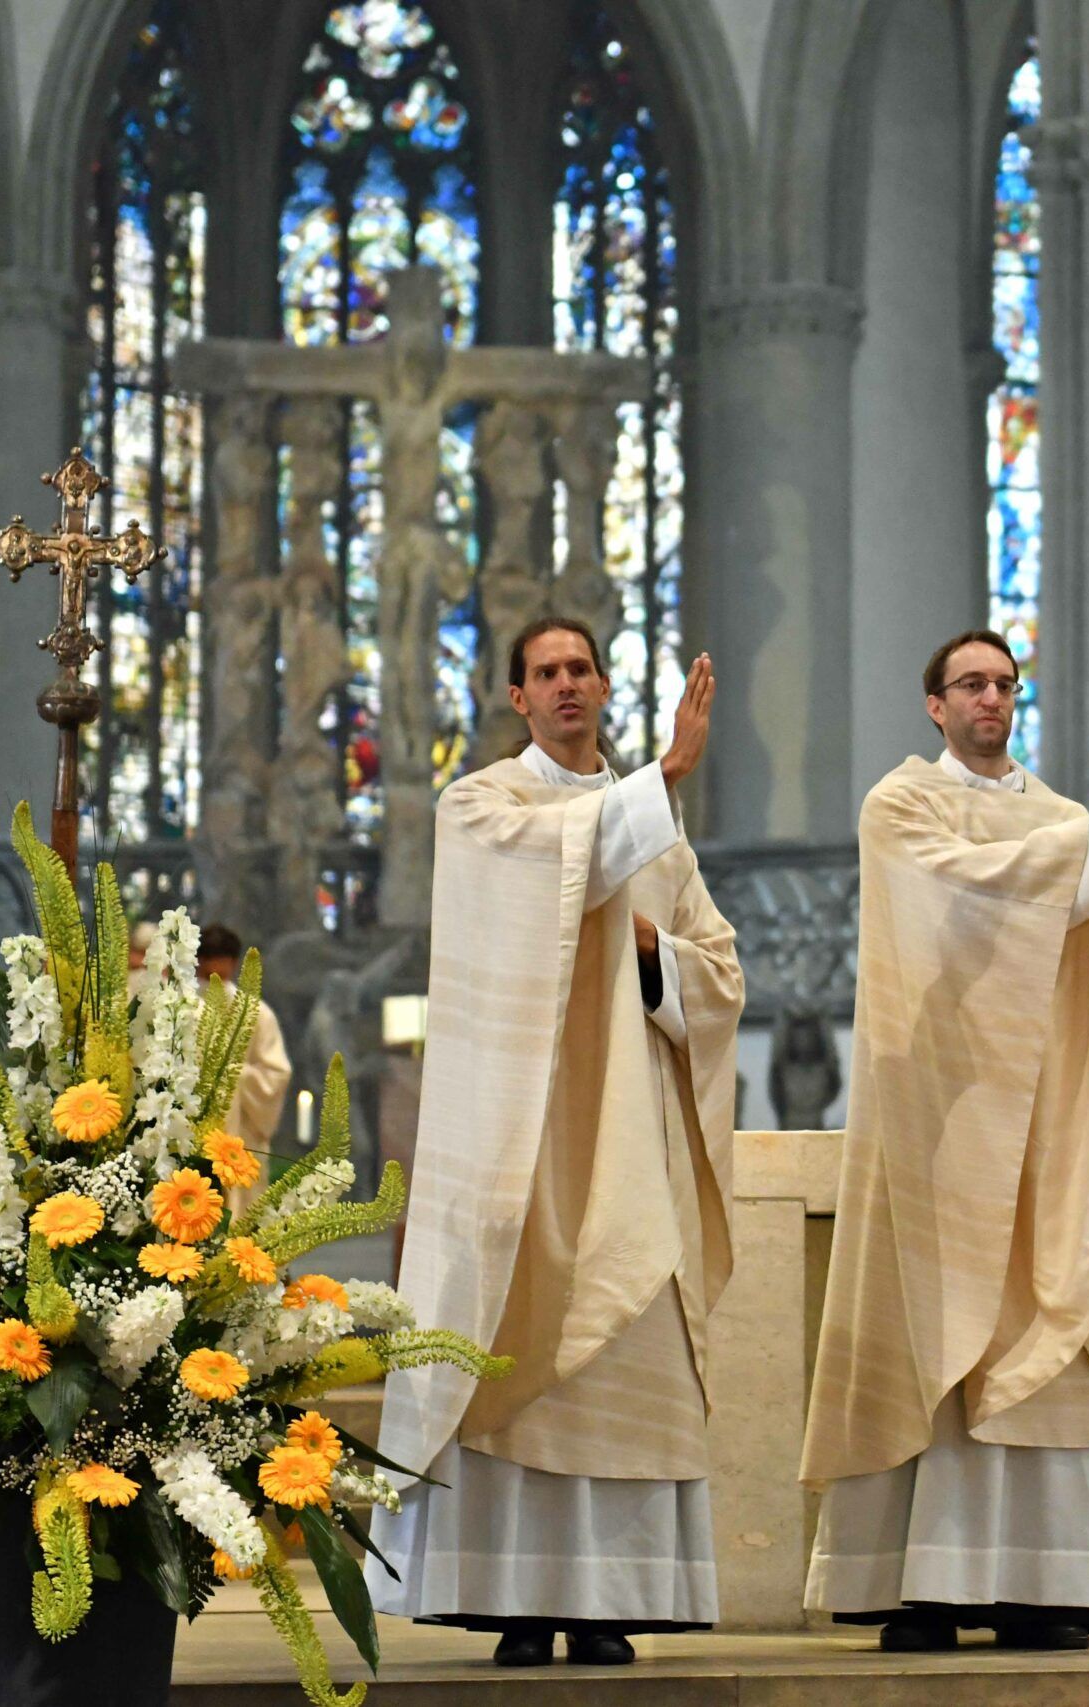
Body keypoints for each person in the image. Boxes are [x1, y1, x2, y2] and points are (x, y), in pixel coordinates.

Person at [369, 618, 742, 1668]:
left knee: (625, 1352)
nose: (567, 684)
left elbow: (720, 976)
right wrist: (663, 776)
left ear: (602, 685)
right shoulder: (486, 803)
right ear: (516, 699)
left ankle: (606, 1598)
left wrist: (650, 946)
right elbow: (539, 876)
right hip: (522, 1140)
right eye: (546, 672)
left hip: (632, 1143)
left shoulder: (658, 833)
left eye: (581, 667)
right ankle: (516, 1599)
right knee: (515, 1343)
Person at [800, 629, 1089, 1653]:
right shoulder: (901, 804)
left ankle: (1045, 1582)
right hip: (941, 1119)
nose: (992, 699)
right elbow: (951, 904)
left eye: (1006, 684)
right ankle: (924, 1584)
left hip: (1047, 1119)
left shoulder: (1056, 817)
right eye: (971, 684)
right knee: (942, 1336)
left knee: (1050, 1332)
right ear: (934, 704)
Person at [197, 923, 294, 1150]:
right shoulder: (180, 1007)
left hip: (242, 1132)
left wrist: (230, 1074)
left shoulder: (257, 1014)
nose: (215, 969)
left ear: (233, 963)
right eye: (210, 959)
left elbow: (276, 1074)